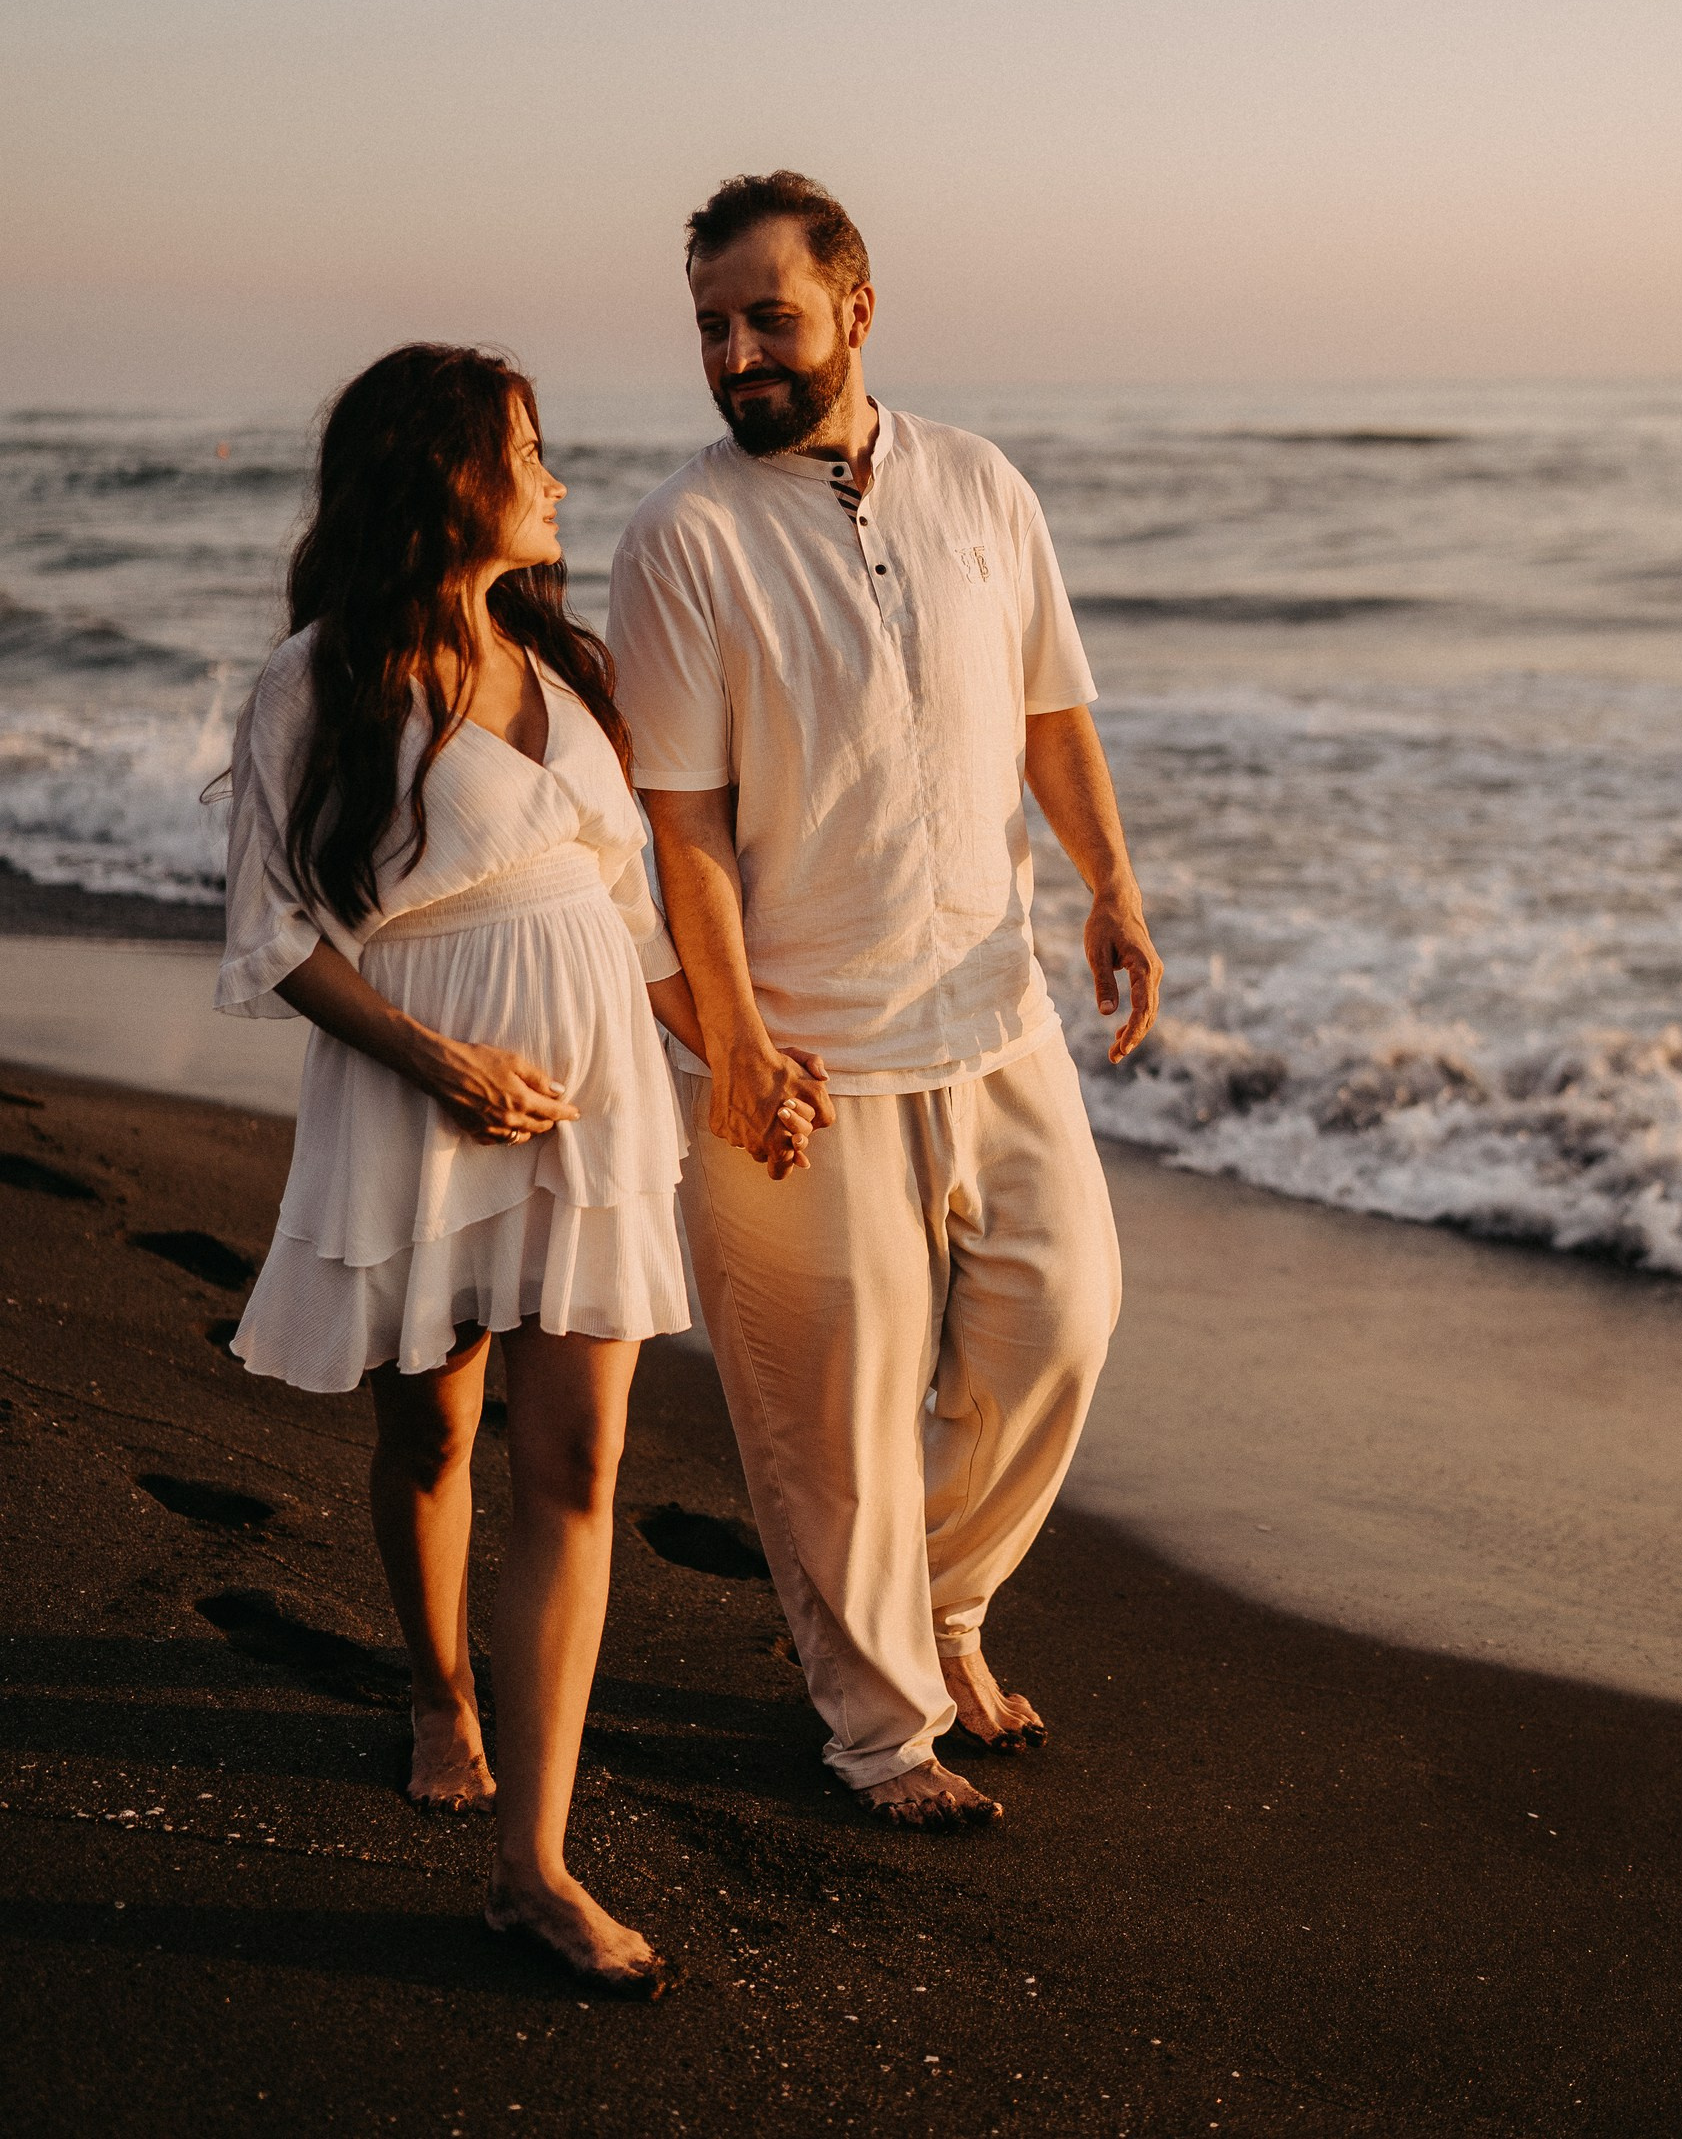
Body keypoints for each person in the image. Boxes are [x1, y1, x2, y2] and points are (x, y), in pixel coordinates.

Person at [216, 344, 802, 1990]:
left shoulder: (568, 663)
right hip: (423, 1092)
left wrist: (731, 1058)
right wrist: (442, 1061)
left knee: (583, 1467)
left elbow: (623, 911)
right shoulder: (318, 683)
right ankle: (437, 1685)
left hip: (595, 1092)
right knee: (431, 1428)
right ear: (443, 476)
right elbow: (275, 938)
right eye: (526, 450)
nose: (555, 477)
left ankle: (534, 1863)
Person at [607, 171, 1162, 1829]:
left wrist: (1113, 887)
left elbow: (1051, 713)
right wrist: (736, 1041)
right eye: (712, 325)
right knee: (829, 1409)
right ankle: (874, 1729)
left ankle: (941, 1604)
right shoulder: (684, 542)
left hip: (991, 1004)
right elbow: (683, 832)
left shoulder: (982, 487)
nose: (737, 352)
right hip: (802, 1042)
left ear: (857, 309)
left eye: (767, 316)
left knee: (1063, 1317)